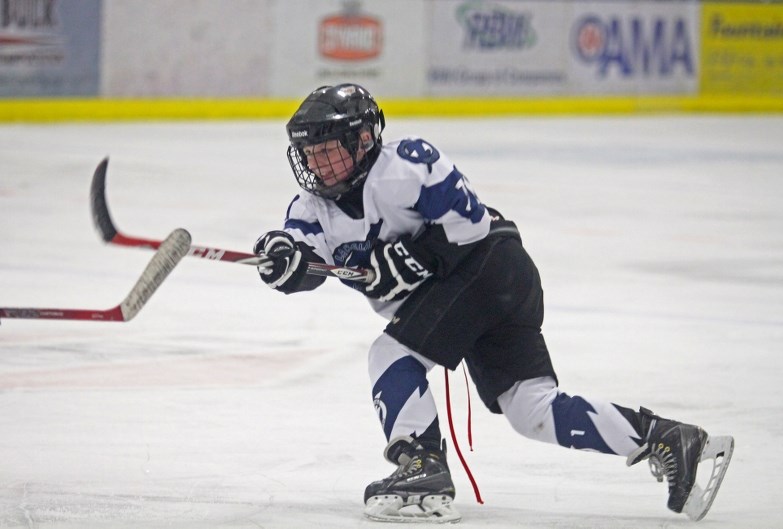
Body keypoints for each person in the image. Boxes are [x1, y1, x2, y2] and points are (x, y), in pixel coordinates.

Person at [253, 83, 733, 523]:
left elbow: (470, 225)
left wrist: (412, 257)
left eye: (328, 153)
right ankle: (670, 438)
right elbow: (300, 256)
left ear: (362, 141)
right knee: (531, 411)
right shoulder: (310, 209)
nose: (318, 166)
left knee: (391, 353)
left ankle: (421, 460)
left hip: (488, 267)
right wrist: (284, 262)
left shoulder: (408, 164)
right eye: (310, 155)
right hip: (487, 288)